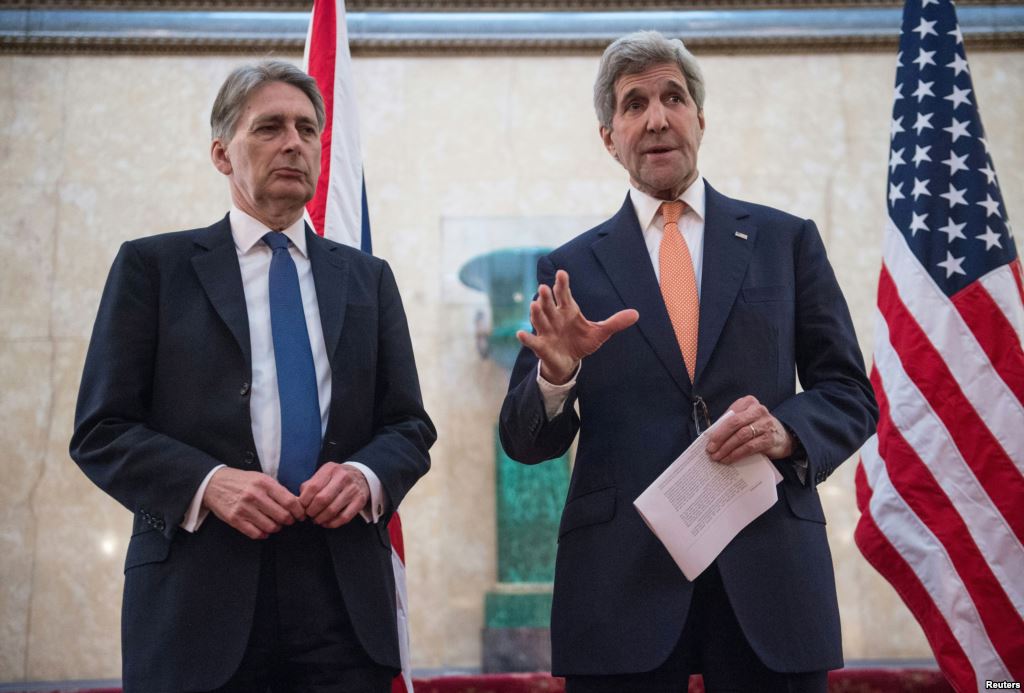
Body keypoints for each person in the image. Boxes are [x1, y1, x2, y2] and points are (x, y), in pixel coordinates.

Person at [499, 31, 877, 692]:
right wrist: (558, 375)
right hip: (620, 587)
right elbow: (526, 441)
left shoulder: (784, 241)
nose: (656, 117)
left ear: (700, 118)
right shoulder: (569, 269)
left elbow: (849, 392)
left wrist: (787, 431)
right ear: (608, 136)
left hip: (771, 578)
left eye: (673, 97)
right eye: (634, 103)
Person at [70, 60, 434, 693]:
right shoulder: (153, 269)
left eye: (307, 129)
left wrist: (364, 474)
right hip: (197, 599)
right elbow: (101, 430)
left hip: (342, 603)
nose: (294, 143)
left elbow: (408, 425)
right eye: (269, 127)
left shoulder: (367, 279)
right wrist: (208, 483)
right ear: (221, 153)